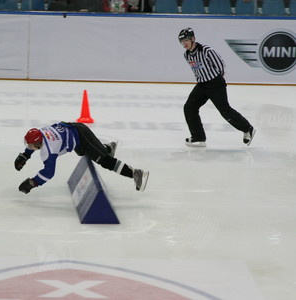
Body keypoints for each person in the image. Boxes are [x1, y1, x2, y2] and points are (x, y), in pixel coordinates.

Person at [14, 122, 149, 194]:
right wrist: (25, 155)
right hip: (75, 135)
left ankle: (135, 173)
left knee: (105, 162)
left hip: (81, 136)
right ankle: (106, 149)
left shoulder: (49, 151)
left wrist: (32, 183)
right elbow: (34, 144)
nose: (28, 146)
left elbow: (49, 172)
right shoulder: (41, 132)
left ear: (38, 144)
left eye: (30, 146)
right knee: (88, 153)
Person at [178, 28, 255, 147]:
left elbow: (221, 66)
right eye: (181, 41)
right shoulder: (186, 54)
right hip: (201, 85)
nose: (184, 43)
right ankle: (198, 137)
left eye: (186, 40)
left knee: (225, 111)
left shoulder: (206, 50)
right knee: (189, 107)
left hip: (215, 84)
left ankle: (248, 129)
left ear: (193, 38)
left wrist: (215, 79)